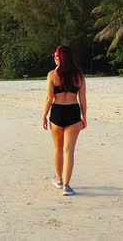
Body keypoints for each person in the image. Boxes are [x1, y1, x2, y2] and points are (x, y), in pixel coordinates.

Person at [42, 45, 87, 196]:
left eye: (55, 56)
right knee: (69, 151)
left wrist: (44, 115)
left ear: (58, 58)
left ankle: (59, 179)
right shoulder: (79, 75)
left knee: (58, 148)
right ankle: (67, 186)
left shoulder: (52, 75)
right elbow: (83, 100)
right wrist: (84, 116)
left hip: (57, 112)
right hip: (73, 112)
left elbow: (49, 98)